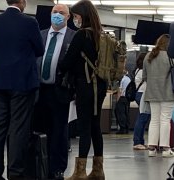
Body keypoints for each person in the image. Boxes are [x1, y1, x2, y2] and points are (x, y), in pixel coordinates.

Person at [0, 0, 44, 179]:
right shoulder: (29, 22)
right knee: (18, 128)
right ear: (22, 2)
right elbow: (40, 49)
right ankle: (15, 172)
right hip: (22, 81)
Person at [59, 0, 107, 179]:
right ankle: (98, 170)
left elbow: (68, 62)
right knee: (95, 126)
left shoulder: (81, 35)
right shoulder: (101, 35)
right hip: (100, 86)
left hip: (85, 85)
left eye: (76, 16)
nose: (75, 20)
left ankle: (80, 172)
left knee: (84, 126)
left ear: (83, 16)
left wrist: (61, 68)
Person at [34, 4, 75, 180]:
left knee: (59, 132)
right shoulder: (40, 34)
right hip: (39, 90)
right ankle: (38, 166)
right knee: (38, 129)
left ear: (68, 17)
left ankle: (57, 169)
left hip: (60, 91)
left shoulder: (73, 37)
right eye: (54, 12)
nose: (57, 15)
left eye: (61, 13)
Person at [143, 34, 174, 157]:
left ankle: (151, 149)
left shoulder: (148, 56)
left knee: (154, 120)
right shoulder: (170, 57)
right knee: (165, 119)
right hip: (168, 93)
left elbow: (145, 76)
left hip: (152, 93)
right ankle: (166, 149)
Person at [132, 52, 151, 150]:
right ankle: (137, 141)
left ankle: (140, 141)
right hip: (143, 95)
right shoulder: (143, 71)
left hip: (139, 94)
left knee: (143, 118)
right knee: (142, 118)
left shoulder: (137, 70)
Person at [114, 69, 131, 134]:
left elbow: (120, 91)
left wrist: (117, 100)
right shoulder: (128, 79)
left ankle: (122, 128)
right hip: (127, 98)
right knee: (126, 113)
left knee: (120, 113)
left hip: (122, 97)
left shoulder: (122, 79)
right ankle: (126, 128)